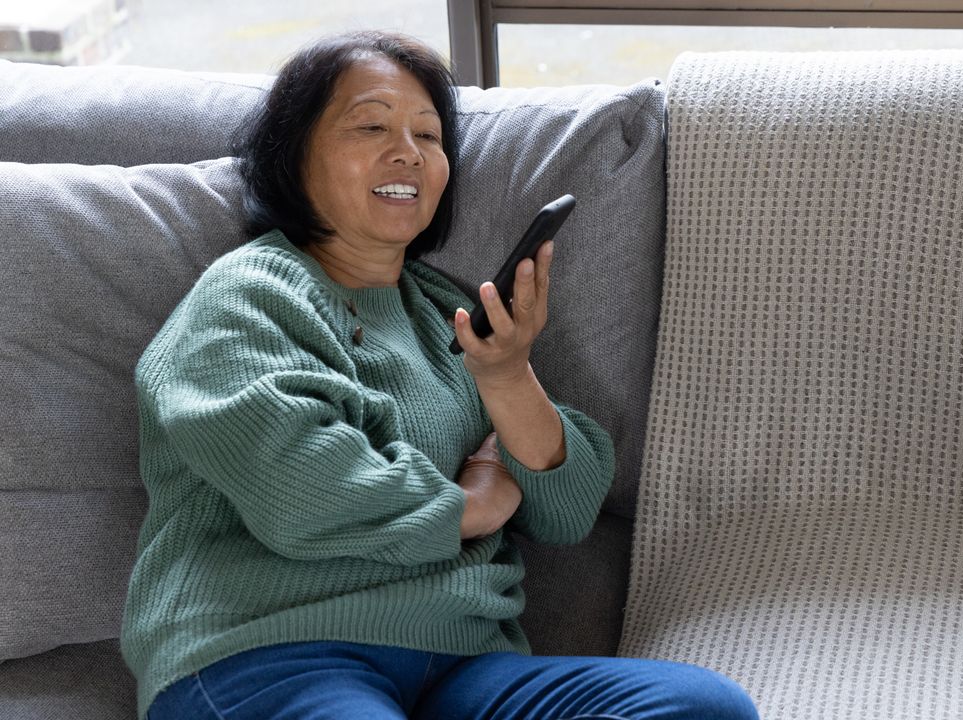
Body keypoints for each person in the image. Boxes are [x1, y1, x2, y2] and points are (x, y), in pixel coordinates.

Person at [120, 29, 759, 720]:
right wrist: (474, 504)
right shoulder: (248, 297)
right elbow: (299, 487)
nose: (409, 152)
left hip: (463, 669)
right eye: (370, 125)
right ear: (292, 155)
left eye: (429, 136)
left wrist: (509, 375)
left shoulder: (447, 311)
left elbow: (569, 509)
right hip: (270, 651)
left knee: (704, 708)